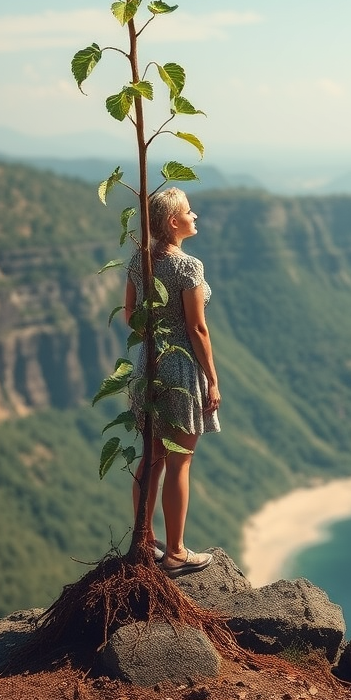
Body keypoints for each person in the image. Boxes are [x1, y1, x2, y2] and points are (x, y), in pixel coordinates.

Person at [125, 187, 221, 577]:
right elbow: (198, 327)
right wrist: (212, 380)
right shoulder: (188, 267)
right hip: (181, 369)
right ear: (172, 222)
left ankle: (144, 541)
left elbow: (131, 314)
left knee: (151, 458)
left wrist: (156, 334)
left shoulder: (139, 260)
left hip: (147, 365)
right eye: (188, 211)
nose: (194, 215)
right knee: (180, 462)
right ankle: (177, 553)